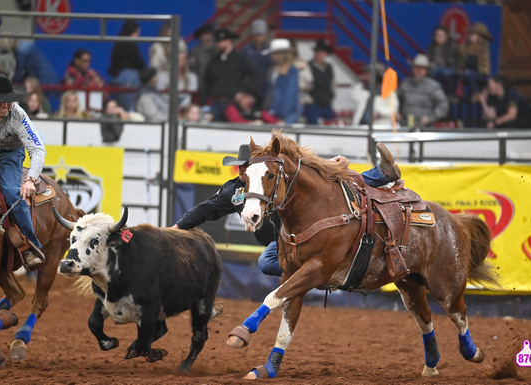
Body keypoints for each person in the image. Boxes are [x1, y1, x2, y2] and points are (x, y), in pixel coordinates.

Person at [171, 142, 401, 277]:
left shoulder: (278, 178)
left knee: (331, 187)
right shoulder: (233, 191)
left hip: (307, 234)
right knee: (266, 263)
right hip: (280, 243)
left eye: (246, 164)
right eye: (240, 166)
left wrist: (330, 165)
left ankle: (380, 174)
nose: (242, 169)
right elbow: (206, 209)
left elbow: (309, 174)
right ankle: (313, 273)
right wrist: (179, 226)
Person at [0, 74, 46, 268]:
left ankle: (31, 246)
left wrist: (30, 180)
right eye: (1, 102)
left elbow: (38, 149)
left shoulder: (18, 114)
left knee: (12, 192)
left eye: (9, 101)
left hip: (11, 155)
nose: (5, 106)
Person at [201, 27, 258, 122]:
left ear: (229, 41)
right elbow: (206, 83)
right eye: (218, 41)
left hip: (233, 103)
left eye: (222, 41)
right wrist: (204, 104)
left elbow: (255, 75)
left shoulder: (240, 58)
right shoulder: (214, 60)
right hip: (216, 102)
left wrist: (246, 92)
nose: (219, 44)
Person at [397, 54, 449, 127]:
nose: (418, 70)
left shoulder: (433, 86)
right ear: (413, 69)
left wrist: (430, 118)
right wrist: (397, 114)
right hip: (405, 126)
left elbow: (443, 104)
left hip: (426, 129)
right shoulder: (405, 84)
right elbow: (395, 100)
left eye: (421, 68)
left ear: (426, 70)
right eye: (416, 67)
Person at [107, 20, 146, 111]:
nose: (138, 35)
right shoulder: (131, 44)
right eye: (137, 32)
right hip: (130, 80)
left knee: (118, 106)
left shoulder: (117, 44)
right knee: (129, 108)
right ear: (132, 31)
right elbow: (139, 63)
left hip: (116, 78)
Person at [263, 38, 301, 124]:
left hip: (284, 116)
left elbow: (290, 94)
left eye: (275, 54)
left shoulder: (291, 70)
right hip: (271, 112)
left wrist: (286, 118)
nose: (272, 56)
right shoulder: (273, 69)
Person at [304, 39, 336, 125]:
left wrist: (331, 95)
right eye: (318, 52)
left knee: (332, 124)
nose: (320, 55)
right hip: (313, 103)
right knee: (313, 126)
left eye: (323, 53)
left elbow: (331, 83)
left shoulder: (329, 67)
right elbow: (306, 84)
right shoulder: (308, 66)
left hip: (326, 102)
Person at [459, 22, 493, 100]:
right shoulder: (467, 46)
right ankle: (459, 94)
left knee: (468, 73)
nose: (470, 36)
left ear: (479, 36)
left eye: (473, 34)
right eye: (470, 34)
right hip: (472, 73)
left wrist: (463, 55)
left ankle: (476, 93)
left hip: (481, 74)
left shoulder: (480, 47)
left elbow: (472, 64)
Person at [240, 19, 272, 102]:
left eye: (261, 34)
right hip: (249, 87)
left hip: (264, 87)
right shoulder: (245, 50)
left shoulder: (269, 51)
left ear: (265, 35)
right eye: (257, 34)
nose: (259, 37)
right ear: (252, 35)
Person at [427, 25, 460, 95]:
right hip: (436, 70)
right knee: (433, 73)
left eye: (441, 35)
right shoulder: (432, 49)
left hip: (451, 69)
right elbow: (429, 61)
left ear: (446, 36)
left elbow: (454, 62)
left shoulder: (452, 46)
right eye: (437, 35)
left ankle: (450, 92)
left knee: (444, 73)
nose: (438, 37)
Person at [188, 23, 217, 102]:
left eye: (211, 34)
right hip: (201, 89)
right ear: (201, 36)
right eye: (206, 34)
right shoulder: (195, 52)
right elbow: (192, 71)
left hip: (217, 88)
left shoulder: (218, 50)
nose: (209, 36)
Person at [148, 21, 172, 92]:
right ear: (165, 32)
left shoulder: (177, 46)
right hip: (160, 78)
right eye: (170, 30)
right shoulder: (157, 47)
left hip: (173, 78)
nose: (172, 33)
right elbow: (154, 67)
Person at [177, 38, 199, 108]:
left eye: (182, 60)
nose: (180, 62)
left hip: (187, 110)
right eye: (177, 60)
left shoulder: (192, 77)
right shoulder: (164, 77)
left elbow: (193, 99)